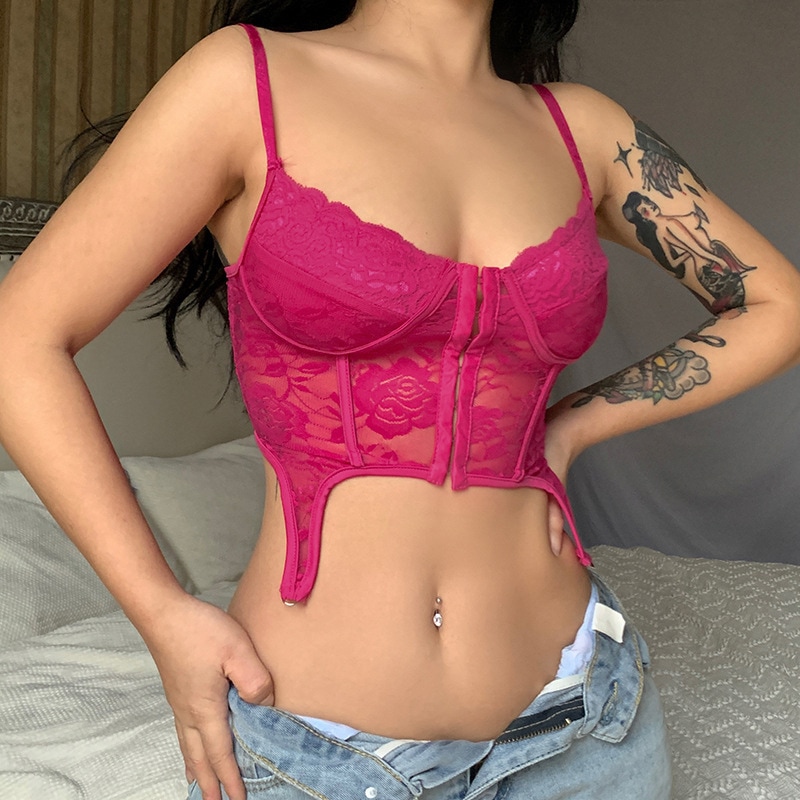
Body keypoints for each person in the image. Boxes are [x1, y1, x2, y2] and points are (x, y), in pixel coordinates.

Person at [0, 2, 798, 799]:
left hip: (587, 727)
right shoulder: (244, 82)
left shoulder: (583, 131)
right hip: (320, 756)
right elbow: (21, 338)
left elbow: (777, 306)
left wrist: (571, 427)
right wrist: (160, 612)